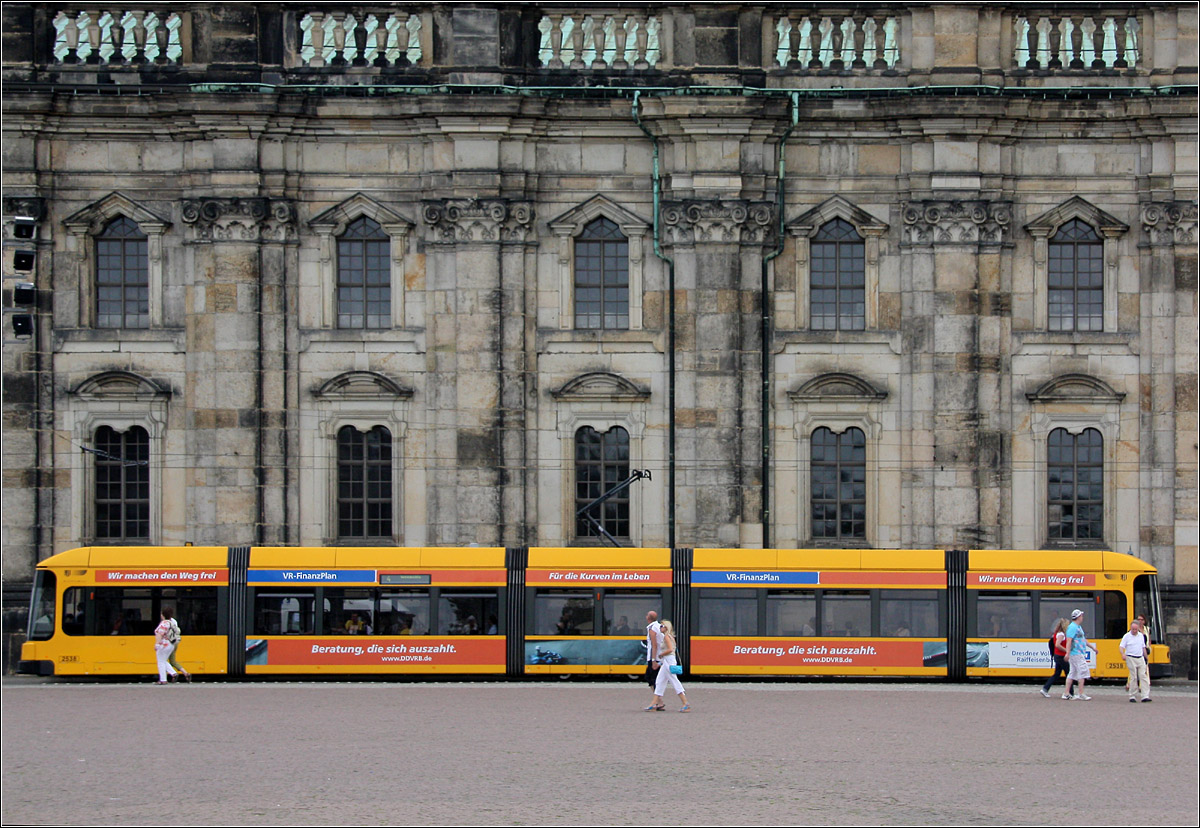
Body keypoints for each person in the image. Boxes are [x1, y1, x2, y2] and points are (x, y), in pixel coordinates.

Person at [645, 619, 690, 712]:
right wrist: (661, 662)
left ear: (666, 627)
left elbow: (670, 649)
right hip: (667, 662)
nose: (660, 628)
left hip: (668, 662)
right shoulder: (670, 637)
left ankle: (685, 703)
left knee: (674, 681)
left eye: (661, 626)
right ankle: (653, 704)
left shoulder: (666, 637)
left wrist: (661, 654)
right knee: (659, 682)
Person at [1063, 608, 1098, 700]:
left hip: (1078, 653)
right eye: (1081, 616)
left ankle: (1066, 693)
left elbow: (1083, 640)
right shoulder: (1073, 627)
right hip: (1076, 653)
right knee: (1082, 671)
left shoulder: (1078, 627)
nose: (1082, 617)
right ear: (1078, 617)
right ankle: (1081, 693)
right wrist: (1067, 652)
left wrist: (1092, 647)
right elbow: (1069, 641)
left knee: (1072, 672)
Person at [1119, 619, 1152, 702]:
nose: (1134, 631)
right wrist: (1123, 654)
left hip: (1140, 657)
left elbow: (1143, 647)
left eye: (1136, 629)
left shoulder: (1141, 636)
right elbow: (1121, 646)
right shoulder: (1126, 636)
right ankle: (1132, 695)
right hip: (1130, 657)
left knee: (1143, 676)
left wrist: (1146, 658)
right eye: (1133, 629)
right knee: (1133, 676)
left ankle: (1145, 695)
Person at [1039, 617, 1069, 698]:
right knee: (1069, 674)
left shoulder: (1056, 633)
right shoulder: (1061, 634)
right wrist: (1066, 650)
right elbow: (1058, 645)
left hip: (1057, 655)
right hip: (1061, 656)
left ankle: (1045, 688)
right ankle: (1069, 692)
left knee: (1057, 674)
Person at [153, 608, 179, 685]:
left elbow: (160, 634)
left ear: (163, 615)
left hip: (163, 644)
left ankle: (163, 679)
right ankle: (173, 673)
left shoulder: (164, 623)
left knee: (160, 661)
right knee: (163, 660)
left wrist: (157, 644)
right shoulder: (172, 622)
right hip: (171, 644)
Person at [165, 610, 192, 683]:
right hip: (176, 642)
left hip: (170, 642)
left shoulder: (166, 623)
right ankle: (186, 673)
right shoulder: (174, 621)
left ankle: (173, 674)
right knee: (172, 661)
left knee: (162, 660)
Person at [644, 610, 661, 689]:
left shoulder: (652, 628)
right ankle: (658, 699)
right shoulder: (659, 626)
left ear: (648, 618)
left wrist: (653, 660)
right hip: (659, 657)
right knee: (651, 678)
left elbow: (654, 645)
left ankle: (658, 699)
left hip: (654, 657)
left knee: (652, 679)